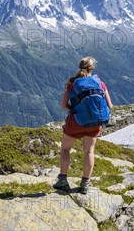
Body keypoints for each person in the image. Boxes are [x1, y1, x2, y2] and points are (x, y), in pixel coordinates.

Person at [53, 57, 113, 194]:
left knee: (65, 149)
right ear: (93, 68)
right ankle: (85, 184)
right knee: (89, 152)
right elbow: (110, 106)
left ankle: (63, 180)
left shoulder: (72, 84)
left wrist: (75, 110)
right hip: (95, 123)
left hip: (76, 122)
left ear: (80, 67)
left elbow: (63, 105)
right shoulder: (100, 84)